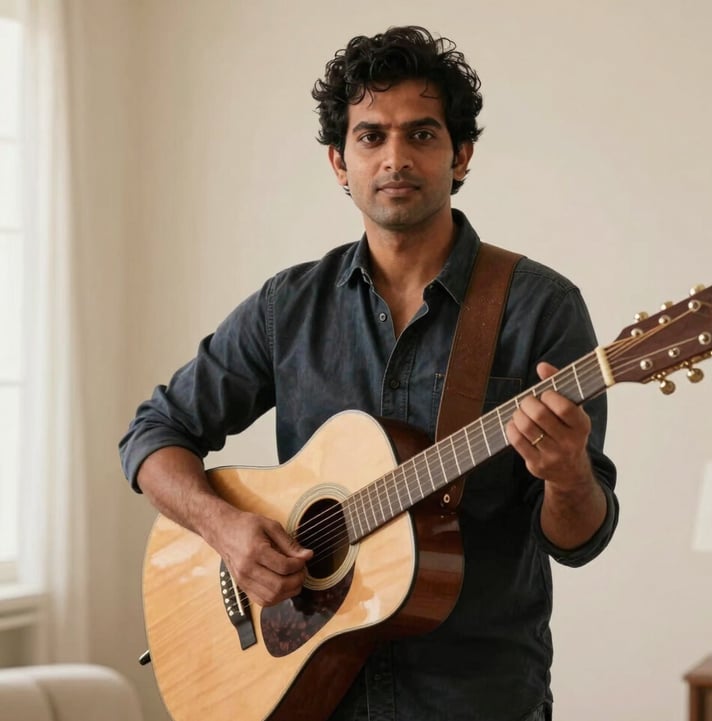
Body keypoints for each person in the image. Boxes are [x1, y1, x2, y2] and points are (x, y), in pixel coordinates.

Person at [119, 25, 618, 721]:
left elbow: (579, 537)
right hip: (311, 697)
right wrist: (226, 528)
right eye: (370, 137)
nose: (395, 158)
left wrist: (567, 476)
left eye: (421, 134)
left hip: (476, 702)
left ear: (461, 154)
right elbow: (152, 435)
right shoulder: (287, 307)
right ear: (338, 162)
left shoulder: (540, 308)